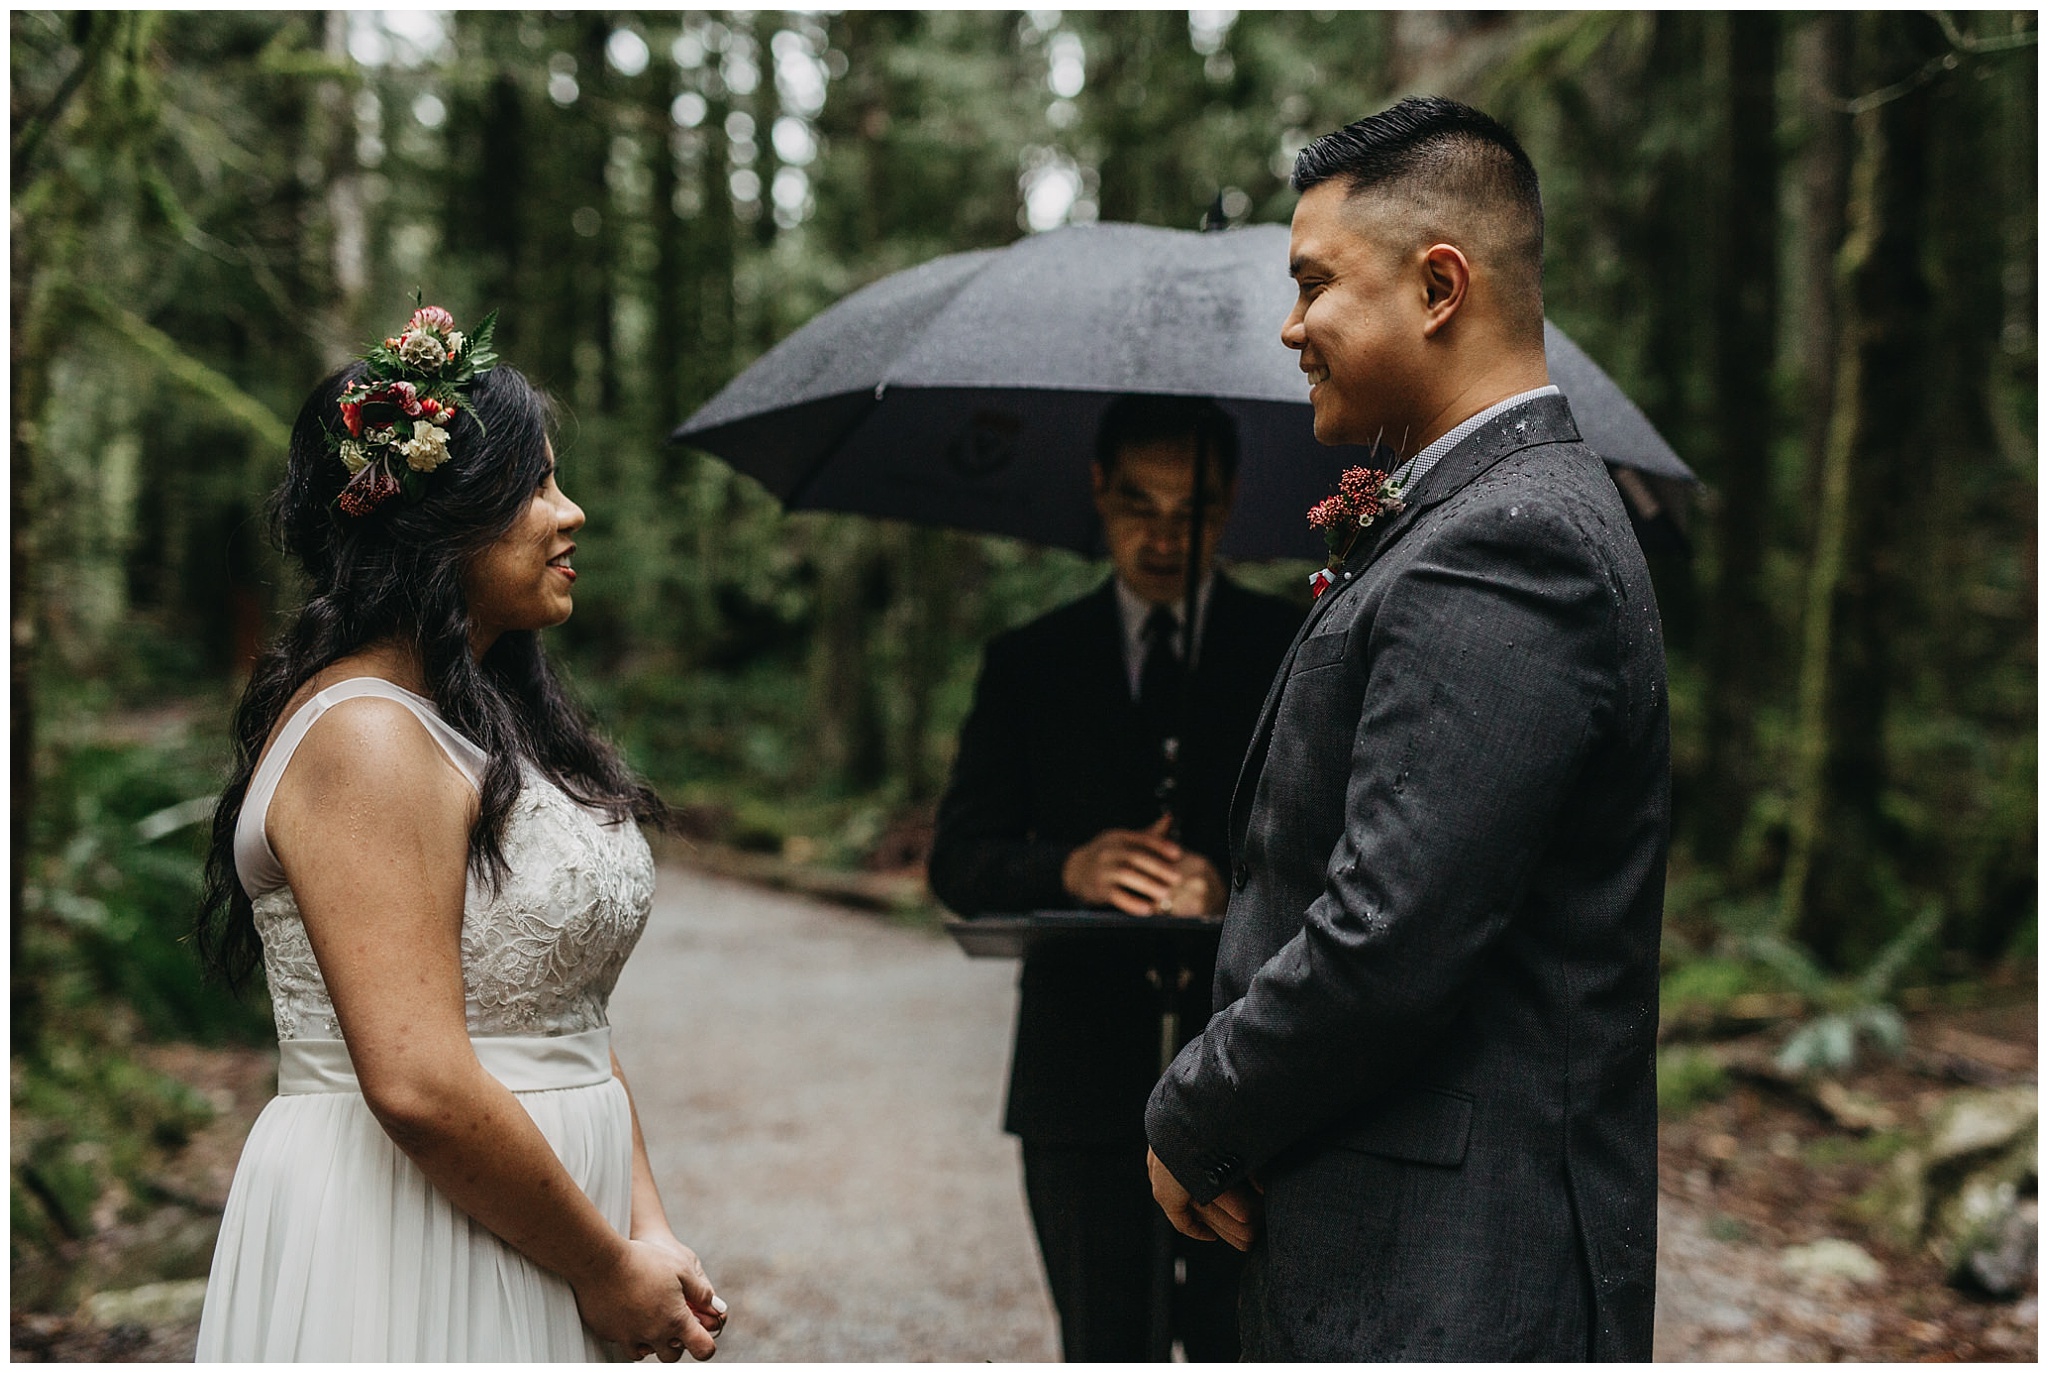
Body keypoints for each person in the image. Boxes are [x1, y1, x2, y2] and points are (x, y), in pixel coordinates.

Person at [1144, 97, 1669, 1360]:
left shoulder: (1510, 540)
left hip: (1451, 1280)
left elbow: (1390, 931)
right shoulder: (1468, 513)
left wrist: (1192, 1111)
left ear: (1438, 285)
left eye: (1313, 282)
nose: (1290, 325)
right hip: (1387, 1255)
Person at [192, 305, 726, 1362]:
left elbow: (565, 1009)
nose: (569, 515)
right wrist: (603, 1265)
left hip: (554, 1221)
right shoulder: (366, 740)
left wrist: (644, 1225)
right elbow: (419, 1081)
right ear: (439, 517)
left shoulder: (477, 716)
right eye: (534, 485)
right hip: (406, 1229)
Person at [929, 394, 1302, 1362]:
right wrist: (1069, 865)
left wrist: (1235, 891)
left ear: (1227, 506)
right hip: (1077, 1085)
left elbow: (1341, 855)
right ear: (1097, 490)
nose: (1163, 534)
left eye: (1192, 509)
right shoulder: (1027, 662)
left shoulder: (1298, 650)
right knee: (1101, 1346)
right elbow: (958, 861)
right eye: (1138, 503)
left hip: (1249, 1084)